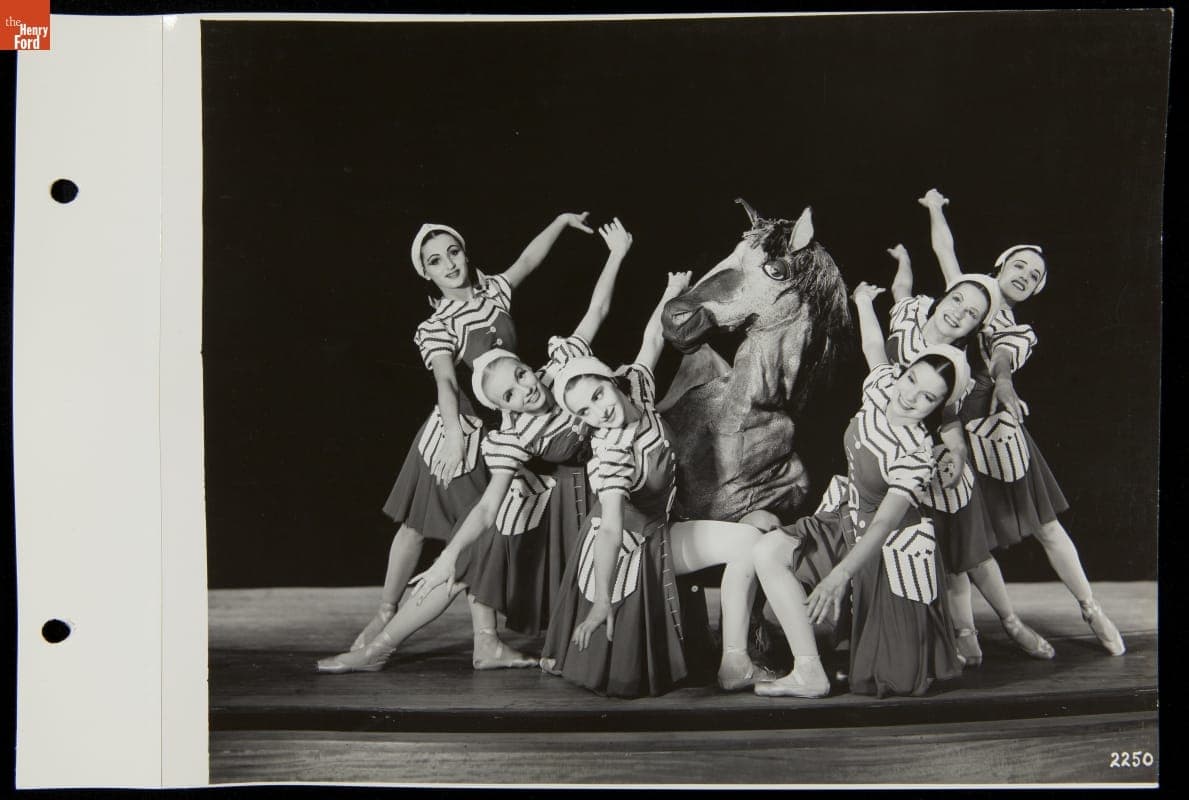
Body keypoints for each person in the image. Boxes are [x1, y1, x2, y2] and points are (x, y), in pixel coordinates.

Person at [316, 218, 631, 673]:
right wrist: (454, 435)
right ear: (424, 272)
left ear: (466, 251)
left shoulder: (500, 300)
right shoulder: (438, 326)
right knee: (427, 527)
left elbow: (531, 263)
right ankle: (392, 619)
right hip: (461, 431)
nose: (448, 264)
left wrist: (562, 223)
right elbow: (446, 383)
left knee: (462, 536)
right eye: (434, 261)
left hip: (497, 428)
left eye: (453, 252)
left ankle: (477, 640)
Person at [539, 272, 775, 698]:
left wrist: (668, 292)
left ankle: (735, 657)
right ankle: (736, 662)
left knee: (751, 541)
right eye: (585, 412)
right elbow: (611, 527)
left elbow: (651, 341)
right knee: (747, 544)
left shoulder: (639, 392)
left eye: (597, 396)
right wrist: (601, 602)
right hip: (635, 545)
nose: (599, 412)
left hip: (660, 526)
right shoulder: (610, 454)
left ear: (612, 382)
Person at [918, 188, 1125, 656]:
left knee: (1046, 525)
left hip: (996, 430)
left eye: (1034, 278)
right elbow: (944, 250)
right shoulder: (967, 298)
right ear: (1000, 266)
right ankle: (973, 632)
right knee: (960, 539)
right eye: (1020, 267)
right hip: (949, 433)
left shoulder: (1015, 327)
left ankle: (1092, 608)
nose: (1025, 277)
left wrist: (1005, 383)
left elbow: (1004, 358)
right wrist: (935, 209)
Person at [751, 281, 965, 699]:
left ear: (935, 409)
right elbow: (873, 348)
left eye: (926, 398)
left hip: (889, 547)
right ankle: (805, 668)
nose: (910, 397)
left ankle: (843, 650)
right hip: (846, 516)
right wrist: (863, 302)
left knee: (895, 680)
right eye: (911, 381)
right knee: (768, 558)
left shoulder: (916, 451)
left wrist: (840, 574)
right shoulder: (883, 388)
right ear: (902, 373)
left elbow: (885, 521)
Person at [884, 244, 1054, 666]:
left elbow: (949, 423)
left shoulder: (956, 366)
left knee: (969, 549)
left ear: (976, 324)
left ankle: (1012, 622)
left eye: (973, 313)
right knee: (932, 551)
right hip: (884, 446)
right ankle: (959, 630)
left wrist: (955, 457)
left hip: (930, 452)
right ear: (942, 298)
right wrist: (904, 258)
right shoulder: (907, 317)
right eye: (956, 299)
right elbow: (901, 288)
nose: (960, 311)